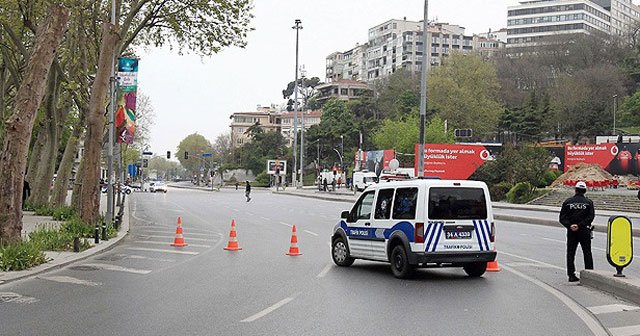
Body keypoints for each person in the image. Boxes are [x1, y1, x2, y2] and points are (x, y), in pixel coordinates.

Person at [559, 181, 595, 282]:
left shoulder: (567, 202)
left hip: (571, 231)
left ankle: (571, 275)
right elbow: (590, 217)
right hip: (584, 231)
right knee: (587, 252)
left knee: (570, 253)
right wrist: (580, 225)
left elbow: (562, 218)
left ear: (575, 190)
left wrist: (570, 225)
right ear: (585, 191)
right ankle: (589, 275)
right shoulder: (589, 202)